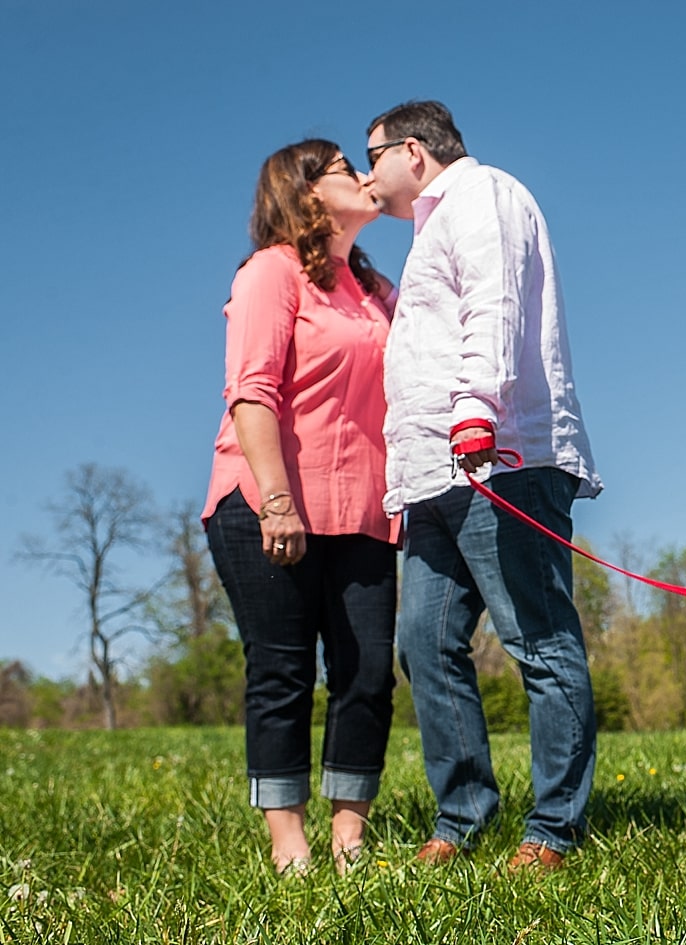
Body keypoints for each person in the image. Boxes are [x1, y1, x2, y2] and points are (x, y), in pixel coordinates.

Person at [363, 100, 603, 874]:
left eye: (372, 157)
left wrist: (476, 408)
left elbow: (494, 300)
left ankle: (553, 829)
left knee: (538, 641)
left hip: (503, 456)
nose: (368, 176)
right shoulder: (426, 229)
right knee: (424, 645)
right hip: (433, 475)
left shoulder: (481, 194)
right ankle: (462, 814)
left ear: (411, 149)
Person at [202, 139, 400, 876]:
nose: (363, 175)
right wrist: (277, 502)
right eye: (346, 167)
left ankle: (350, 837)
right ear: (308, 192)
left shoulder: (377, 292)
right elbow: (252, 391)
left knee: (367, 671)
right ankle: (290, 842)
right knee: (282, 671)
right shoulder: (272, 273)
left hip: (365, 511)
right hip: (267, 500)